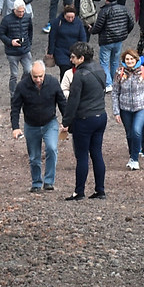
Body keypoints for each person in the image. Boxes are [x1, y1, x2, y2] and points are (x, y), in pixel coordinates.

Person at [58, 41, 110, 200]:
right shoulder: (100, 69)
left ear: (81, 58)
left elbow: (73, 101)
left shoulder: (79, 75)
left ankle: (79, 191)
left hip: (84, 119)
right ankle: (100, 190)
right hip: (101, 116)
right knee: (97, 153)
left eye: (73, 57)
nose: (71, 60)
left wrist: (66, 122)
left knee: (82, 157)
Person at [11, 57, 63, 192]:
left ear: (44, 74)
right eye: (35, 77)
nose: (38, 79)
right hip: (31, 125)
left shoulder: (53, 83)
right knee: (34, 156)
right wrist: (15, 127)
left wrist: (67, 121)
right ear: (30, 74)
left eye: (40, 76)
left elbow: (62, 102)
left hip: (50, 122)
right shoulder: (22, 86)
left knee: (52, 149)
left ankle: (49, 181)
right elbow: (15, 107)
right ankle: (36, 182)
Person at [115, 45, 144, 170]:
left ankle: (135, 159)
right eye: (127, 59)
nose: (130, 62)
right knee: (129, 134)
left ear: (136, 60)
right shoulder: (119, 73)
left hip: (141, 107)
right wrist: (116, 112)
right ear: (124, 60)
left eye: (132, 59)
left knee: (137, 131)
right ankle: (132, 155)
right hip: (125, 108)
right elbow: (115, 93)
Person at [91, 0, 135, 97]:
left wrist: (91, 30)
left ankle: (108, 83)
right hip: (119, 40)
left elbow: (98, 26)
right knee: (115, 61)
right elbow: (131, 22)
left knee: (104, 62)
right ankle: (116, 81)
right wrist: (125, 33)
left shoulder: (104, 11)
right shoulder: (124, 9)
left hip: (106, 40)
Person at [0, 0, 36, 95]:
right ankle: (13, 94)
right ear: (14, 10)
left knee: (29, 71)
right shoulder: (7, 20)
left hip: (25, 50)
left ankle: (22, 87)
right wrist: (10, 42)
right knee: (14, 75)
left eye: (23, 11)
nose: (21, 14)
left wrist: (29, 43)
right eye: (19, 12)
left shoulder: (27, 17)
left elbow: (30, 30)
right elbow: (0, 33)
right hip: (12, 52)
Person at [48, 6, 88, 74]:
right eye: (68, 17)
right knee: (65, 70)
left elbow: (83, 37)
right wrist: (50, 52)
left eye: (72, 17)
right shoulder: (57, 22)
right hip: (61, 50)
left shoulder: (78, 23)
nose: (70, 19)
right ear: (64, 15)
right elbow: (52, 37)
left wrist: (83, 50)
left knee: (75, 72)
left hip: (75, 51)